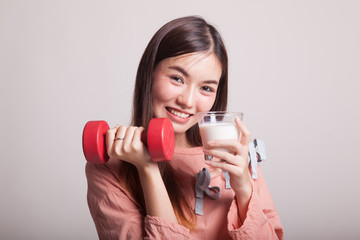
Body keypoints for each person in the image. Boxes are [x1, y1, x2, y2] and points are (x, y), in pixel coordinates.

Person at [86, 16, 284, 239]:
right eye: (177, 78)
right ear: (149, 74)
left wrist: (244, 189)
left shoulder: (236, 157)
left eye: (206, 88)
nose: (188, 102)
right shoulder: (110, 168)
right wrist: (148, 169)